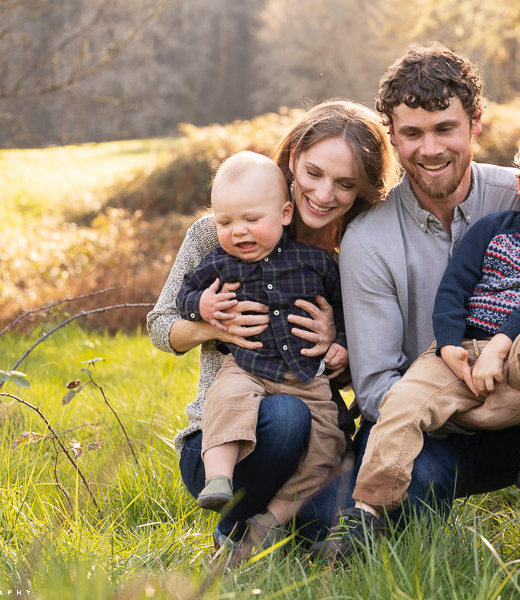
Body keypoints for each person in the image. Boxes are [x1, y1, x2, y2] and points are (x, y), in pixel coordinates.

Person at [309, 43, 520, 560]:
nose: (430, 149)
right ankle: (369, 519)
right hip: (430, 424)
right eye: (412, 133)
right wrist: (472, 410)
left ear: (476, 123)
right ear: (392, 135)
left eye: (444, 129)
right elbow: (373, 391)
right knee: (382, 522)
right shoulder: (368, 239)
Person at [147, 99, 399, 554]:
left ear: (363, 189)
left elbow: (375, 356)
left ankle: (269, 527)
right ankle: (234, 526)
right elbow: (160, 325)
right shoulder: (219, 232)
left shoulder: (353, 252)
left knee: (326, 532)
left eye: (344, 184)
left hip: (316, 434)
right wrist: (213, 325)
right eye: (314, 173)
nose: (324, 195)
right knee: (285, 417)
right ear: (292, 160)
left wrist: (338, 343)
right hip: (225, 438)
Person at [174, 150, 347, 551]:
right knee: (229, 397)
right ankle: (219, 480)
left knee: (328, 446)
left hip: (306, 380)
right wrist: (203, 310)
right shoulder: (219, 261)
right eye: (226, 222)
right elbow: (182, 296)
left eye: (252, 220)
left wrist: (338, 339)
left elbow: (342, 305)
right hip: (246, 368)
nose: (238, 232)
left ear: (285, 214)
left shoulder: (315, 261)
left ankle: (271, 521)